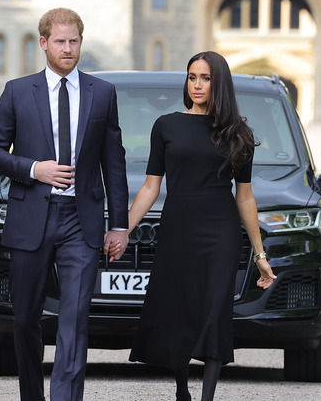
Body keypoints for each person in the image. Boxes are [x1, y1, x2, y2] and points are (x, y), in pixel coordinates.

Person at [0, 7, 129, 401]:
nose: (68, 49)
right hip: (32, 216)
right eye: (60, 41)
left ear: (82, 41)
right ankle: (32, 394)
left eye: (74, 41)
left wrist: (118, 224)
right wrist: (34, 169)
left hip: (81, 221)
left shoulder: (102, 93)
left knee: (75, 317)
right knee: (26, 316)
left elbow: (114, 162)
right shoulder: (17, 91)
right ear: (43, 43)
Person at [112, 51, 276, 401]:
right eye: (192, 77)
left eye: (205, 78)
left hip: (220, 232)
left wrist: (260, 253)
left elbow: (245, 197)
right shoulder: (167, 125)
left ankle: (207, 397)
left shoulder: (239, 133)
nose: (197, 85)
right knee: (180, 307)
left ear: (220, 85)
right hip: (178, 228)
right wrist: (122, 227)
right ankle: (182, 389)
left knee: (216, 308)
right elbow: (150, 186)